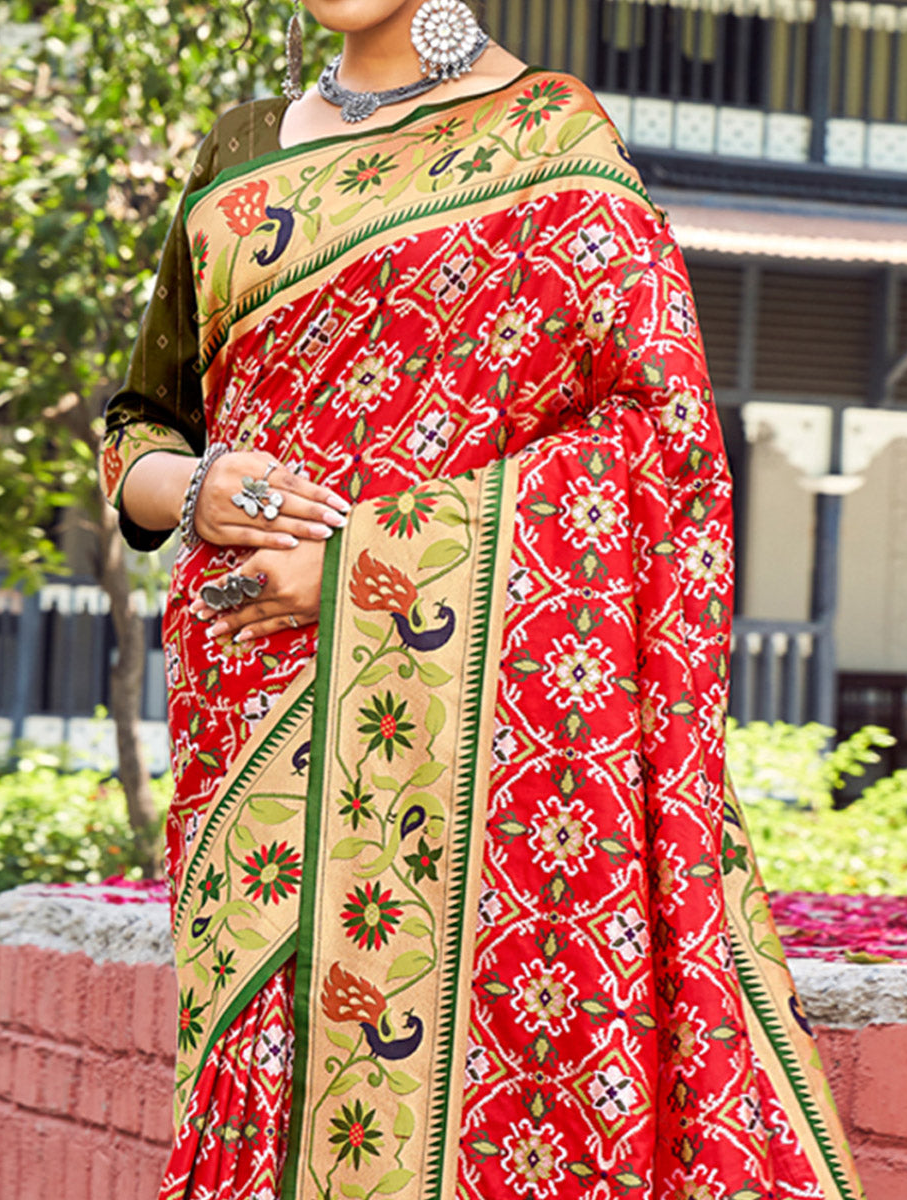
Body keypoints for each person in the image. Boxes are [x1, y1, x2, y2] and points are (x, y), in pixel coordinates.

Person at [101, 3, 865, 1198]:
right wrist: (194, 487)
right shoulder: (240, 147)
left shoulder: (549, 141)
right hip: (247, 705)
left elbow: (653, 438)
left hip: (479, 723)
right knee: (260, 1069)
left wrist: (373, 567)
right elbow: (143, 427)